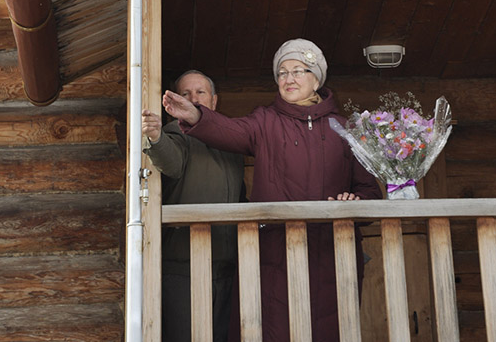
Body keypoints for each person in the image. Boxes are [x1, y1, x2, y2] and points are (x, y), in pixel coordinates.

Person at [162, 40, 381, 342]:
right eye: (282, 72)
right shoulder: (264, 121)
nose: (289, 78)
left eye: (298, 71)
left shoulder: (346, 130)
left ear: (316, 79)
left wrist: (354, 201)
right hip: (274, 256)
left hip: (331, 256)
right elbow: (228, 131)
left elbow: (370, 193)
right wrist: (196, 115)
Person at [142, 70, 245, 342]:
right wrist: (156, 137)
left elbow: (240, 197)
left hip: (227, 268)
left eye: (200, 92)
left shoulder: (231, 141)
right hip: (182, 269)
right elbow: (171, 161)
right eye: (185, 93)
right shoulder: (175, 133)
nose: (194, 98)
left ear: (214, 101)